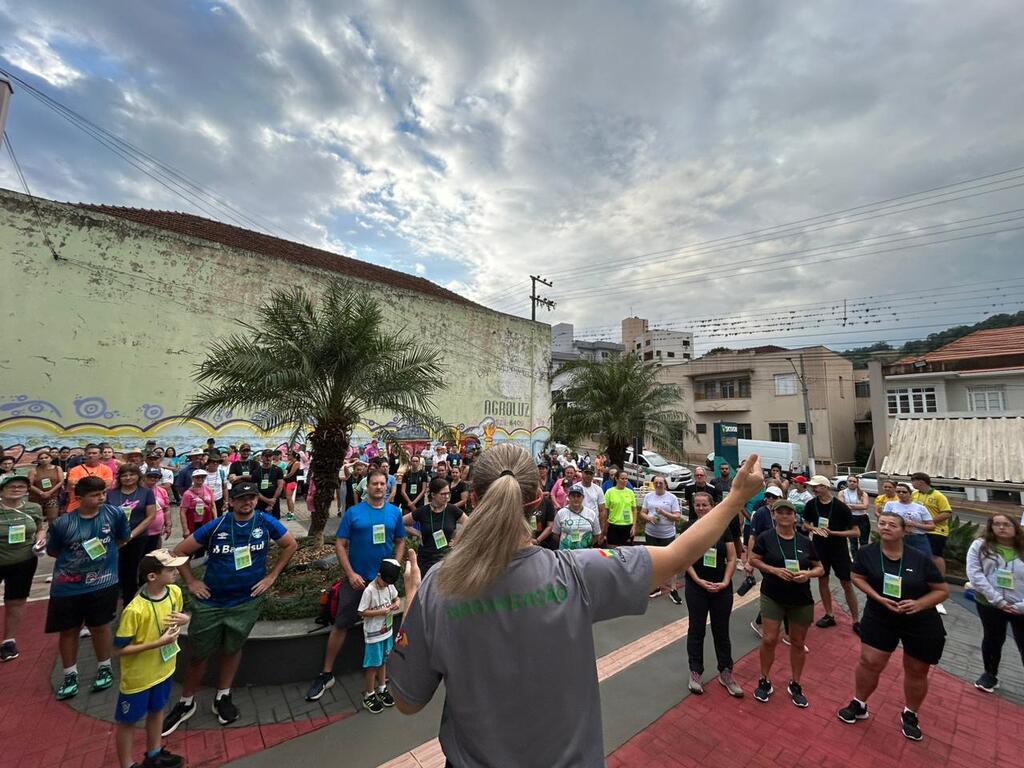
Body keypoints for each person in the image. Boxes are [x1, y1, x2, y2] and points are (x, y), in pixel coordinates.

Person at [386, 445, 765, 767]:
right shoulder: (577, 573)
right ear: (538, 502)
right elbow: (677, 554)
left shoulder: (440, 585)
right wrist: (735, 498)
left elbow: (406, 701)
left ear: (473, 499)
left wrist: (413, 599)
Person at [162, 482, 298, 733]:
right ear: (231, 501)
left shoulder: (265, 522)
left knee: (233, 648)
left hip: (246, 601)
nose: (247, 502)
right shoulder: (217, 526)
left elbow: (290, 545)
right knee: (198, 654)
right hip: (211, 603)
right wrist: (191, 582)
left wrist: (272, 576)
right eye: (241, 498)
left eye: (251, 497)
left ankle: (223, 695)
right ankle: (186, 701)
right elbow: (179, 552)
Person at [837, 511, 948, 741]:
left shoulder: (919, 558)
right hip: (880, 615)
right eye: (882, 523)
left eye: (892, 525)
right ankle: (859, 703)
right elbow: (857, 576)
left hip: (919, 619)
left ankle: (910, 713)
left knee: (916, 669)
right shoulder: (867, 553)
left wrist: (919, 604)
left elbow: (941, 590)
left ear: (904, 531)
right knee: (870, 661)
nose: (886, 527)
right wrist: (877, 597)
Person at [306, 468, 406, 702]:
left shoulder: (394, 513)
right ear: (366, 487)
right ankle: (326, 674)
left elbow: (401, 541)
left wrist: (395, 565)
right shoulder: (353, 513)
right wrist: (350, 574)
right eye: (374, 484)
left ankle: (382, 677)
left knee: (384, 627)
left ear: (387, 486)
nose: (379, 487)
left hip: (383, 584)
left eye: (382, 484)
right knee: (341, 624)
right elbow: (340, 544)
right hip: (357, 582)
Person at [46, 475, 131, 700]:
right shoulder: (63, 523)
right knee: (68, 631)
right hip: (68, 586)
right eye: (95, 495)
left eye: (103, 493)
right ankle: (70, 673)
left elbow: (122, 539)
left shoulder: (115, 514)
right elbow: (53, 551)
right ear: (79, 497)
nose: (101, 498)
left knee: (101, 626)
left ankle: (104, 666)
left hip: (104, 582)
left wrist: (105, 560)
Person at [113, 550, 190, 768]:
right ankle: (127, 764)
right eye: (170, 569)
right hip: (139, 678)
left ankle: (154, 754)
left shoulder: (175, 592)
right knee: (127, 722)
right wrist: (158, 643)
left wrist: (185, 619)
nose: (176, 572)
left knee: (157, 710)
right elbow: (119, 650)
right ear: (152, 576)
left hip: (164, 668)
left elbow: (177, 617)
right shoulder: (135, 610)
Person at [748, 498, 823, 707]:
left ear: (794, 517)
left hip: (800, 598)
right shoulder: (766, 538)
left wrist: (807, 574)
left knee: (798, 642)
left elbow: (820, 568)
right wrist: (773, 570)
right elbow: (754, 559)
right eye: (779, 512)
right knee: (769, 639)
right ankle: (764, 679)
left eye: (788, 513)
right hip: (773, 595)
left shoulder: (805, 541)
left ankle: (795, 683)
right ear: (773, 515)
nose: (784, 516)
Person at [685, 490, 742, 697]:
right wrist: (698, 580)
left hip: (721, 587)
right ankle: (695, 672)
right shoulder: (689, 527)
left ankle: (725, 672)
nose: (701, 508)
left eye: (704, 505)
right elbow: (684, 557)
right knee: (696, 629)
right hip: (696, 586)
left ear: (712, 506)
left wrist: (726, 581)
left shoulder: (722, 527)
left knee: (721, 630)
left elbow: (732, 557)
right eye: (697, 505)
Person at [966, 514, 1024, 693]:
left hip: (1021, 605)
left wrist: (1021, 606)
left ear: (1016, 527)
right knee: (993, 638)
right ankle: (990, 674)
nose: (1001, 527)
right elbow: (975, 574)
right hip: (989, 603)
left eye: (1006, 524)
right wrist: (997, 600)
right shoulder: (980, 546)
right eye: (996, 524)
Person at [803, 475, 861, 635]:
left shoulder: (841, 507)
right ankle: (829, 614)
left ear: (825, 487)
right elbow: (805, 524)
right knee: (823, 579)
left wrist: (833, 533)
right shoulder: (811, 504)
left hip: (839, 549)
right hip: (819, 548)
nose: (813, 489)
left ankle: (856, 620)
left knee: (846, 583)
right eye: (812, 486)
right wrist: (813, 529)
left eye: (816, 486)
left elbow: (856, 532)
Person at [0, 475, 46, 661]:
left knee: (16, 600)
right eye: (11, 486)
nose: (16, 489)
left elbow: (40, 528)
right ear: (2, 490)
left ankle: (8, 641)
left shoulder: (33, 508)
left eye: (21, 486)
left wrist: (40, 540)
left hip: (24, 562)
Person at [107, 464, 158, 607]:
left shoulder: (146, 493)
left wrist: (131, 535)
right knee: (114, 570)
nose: (128, 478)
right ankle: (112, 602)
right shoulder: (111, 493)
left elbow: (150, 516)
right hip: (115, 538)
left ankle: (129, 603)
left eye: (132, 474)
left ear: (138, 476)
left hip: (138, 537)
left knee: (131, 570)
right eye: (124, 475)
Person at [359, 558, 402, 713]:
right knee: (372, 665)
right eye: (384, 581)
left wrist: (397, 603)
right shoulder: (369, 591)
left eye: (389, 583)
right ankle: (369, 694)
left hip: (387, 632)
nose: (386, 585)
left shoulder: (389, 587)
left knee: (383, 661)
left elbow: (396, 597)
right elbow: (361, 612)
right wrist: (380, 612)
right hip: (373, 636)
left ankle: (382, 688)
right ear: (379, 575)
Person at [405, 478, 467, 574]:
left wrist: (458, 539)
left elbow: (470, 524)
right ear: (433, 495)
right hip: (426, 559)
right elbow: (401, 523)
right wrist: (417, 533)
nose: (447, 497)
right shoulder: (423, 511)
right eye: (443, 494)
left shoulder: (453, 510)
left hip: (446, 559)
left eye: (448, 493)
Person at [911, 472, 953, 614]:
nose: (912, 483)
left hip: (936, 531)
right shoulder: (915, 494)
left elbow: (947, 512)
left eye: (914, 481)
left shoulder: (938, 496)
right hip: (919, 531)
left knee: (935, 555)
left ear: (922, 481)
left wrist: (929, 521)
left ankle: (939, 578)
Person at [641, 476, 684, 603]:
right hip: (651, 533)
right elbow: (643, 512)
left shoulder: (672, 498)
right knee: (653, 561)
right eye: (656, 483)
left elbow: (677, 517)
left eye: (661, 482)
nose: (659, 484)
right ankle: (656, 587)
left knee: (671, 562)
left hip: (667, 535)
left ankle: (673, 589)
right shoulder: (648, 496)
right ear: (653, 484)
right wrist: (648, 518)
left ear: (665, 484)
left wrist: (664, 513)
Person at [881, 483, 934, 555]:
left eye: (904, 492)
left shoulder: (920, 507)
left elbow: (931, 526)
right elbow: (884, 520)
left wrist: (915, 524)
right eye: (898, 492)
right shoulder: (890, 505)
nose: (901, 494)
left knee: (925, 558)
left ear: (910, 493)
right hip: (899, 537)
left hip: (918, 537)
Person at [65, 444, 114, 512]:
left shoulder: (106, 469)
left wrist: (83, 484)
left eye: (94, 453)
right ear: (85, 455)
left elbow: (107, 486)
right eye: (89, 453)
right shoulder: (75, 470)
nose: (91, 455)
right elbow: (73, 486)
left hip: (98, 506)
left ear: (100, 455)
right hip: (77, 506)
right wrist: (97, 484)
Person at [553, 484, 602, 551]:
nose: (576, 499)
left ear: (583, 497)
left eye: (578, 496)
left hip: (585, 552)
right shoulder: (561, 513)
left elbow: (596, 534)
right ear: (568, 497)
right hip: (566, 553)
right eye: (573, 496)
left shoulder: (591, 514)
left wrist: (586, 544)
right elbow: (555, 534)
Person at [29, 449, 64, 523]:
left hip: (52, 497)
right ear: (38, 460)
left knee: (53, 518)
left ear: (51, 459)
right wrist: (41, 493)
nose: (44, 459)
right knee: (37, 518)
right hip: (37, 498)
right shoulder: (33, 470)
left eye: (46, 457)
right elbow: (29, 485)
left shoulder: (57, 468)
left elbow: (61, 482)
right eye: (41, 458)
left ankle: (52, 530)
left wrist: (49, 492)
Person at [142, 468, 172, 553]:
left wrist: (168, 525)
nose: (153, 478)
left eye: (156, 477)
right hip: (141, 532)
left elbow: (166, 509)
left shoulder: (162, 491)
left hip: (157, 532)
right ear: (144, 477)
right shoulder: (139, 491)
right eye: (150, 476)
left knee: (155, 555)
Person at [180, 470, 216, 541]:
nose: (200, 479)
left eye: (202, 477)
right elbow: (183, 512)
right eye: (197, 477)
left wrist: (215, 520)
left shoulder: (208, 489)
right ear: (193, 478)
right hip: (194, 523)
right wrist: (185, 529)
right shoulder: (187, 494)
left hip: (207, 520)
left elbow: (212, 505)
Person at [604, 470, 637, 547]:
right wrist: (605, 526)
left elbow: (634, 510)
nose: (625, 481)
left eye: (626, 479)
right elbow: (606, 510)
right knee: (612, 551)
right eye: (622, 479)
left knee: (627, 552)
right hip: (613, 525)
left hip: (627, 525)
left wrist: (634, 526)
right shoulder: (609, 492)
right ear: (616, 479)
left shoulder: (630, 492)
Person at [250, 450, 285, 519]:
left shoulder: (278, 470)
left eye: (270, 456)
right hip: (260, 500)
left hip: (274, 500)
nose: (268, 458)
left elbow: (280, 486)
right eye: (266, 456)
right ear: (262, 457)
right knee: (259, 520)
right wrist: (267, 500)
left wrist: (272, 501)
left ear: (272, 457)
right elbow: (255, 489)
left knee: (274, 522)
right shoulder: (256, 471)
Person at [843, 475, 871, 557]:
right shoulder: (842, 493)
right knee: (853, 542)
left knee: (864, 542)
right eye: (850, 481)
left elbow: (865, 506)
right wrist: (858, 506)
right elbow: (842, 506)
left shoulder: (863, 493)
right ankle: (855, 559)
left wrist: (849, 506)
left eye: (854, 481)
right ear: (847, 482)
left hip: (862, 518)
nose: (852, 483)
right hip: (850, 518)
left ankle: (864, 559)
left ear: (857, 483)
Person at [283, 450, 302, 521]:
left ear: (293, 456)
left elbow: (291, 473)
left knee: (289, 498)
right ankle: (289, 512)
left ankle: (292, 514)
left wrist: (283, 477)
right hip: (287, 481)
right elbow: (286, 472)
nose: (287, 456)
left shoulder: (296, 463)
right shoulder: (290, 462)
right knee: (287, 498)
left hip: (292, 482)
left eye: (289, 455)